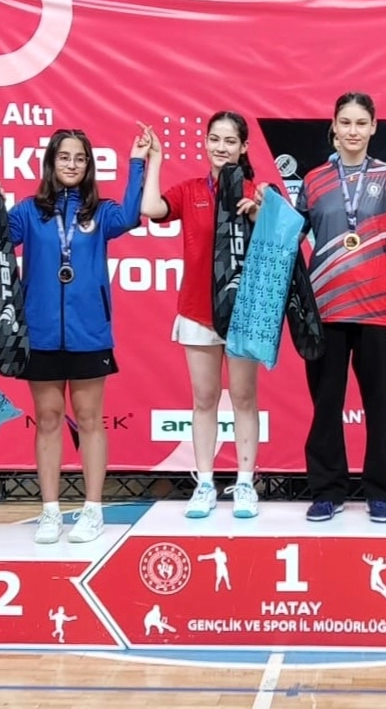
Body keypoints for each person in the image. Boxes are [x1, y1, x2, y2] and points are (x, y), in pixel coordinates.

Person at [0, 127, 147, 544]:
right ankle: (50, 511)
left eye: (80, 158)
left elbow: (131, 215)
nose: (72, 164)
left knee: (89, 419)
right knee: (49, 419)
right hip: (40, 335)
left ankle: (92, 510)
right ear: (51, 162)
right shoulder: (29, 212)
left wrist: (138, 162)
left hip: (90, 334)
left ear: (89, 166)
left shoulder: (100, 212)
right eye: (64, 157)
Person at [298, 92, 386, 523]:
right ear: (334, 126)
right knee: (326, 406)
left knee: (379, 407)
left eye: (361, 123)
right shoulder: (314, 180)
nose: (353, 131)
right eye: (345, 122)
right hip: (325, 310)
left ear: (374, 127)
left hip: (378, 311)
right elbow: (290, 236)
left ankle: (380, 493)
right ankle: (328, 491)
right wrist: (260, 215)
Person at [139, 112, 265, 519]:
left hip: (243, 312)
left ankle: (244, 483)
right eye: (214, 139)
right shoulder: (190, 190)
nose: (221, 147)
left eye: (230, 141)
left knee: (244, 398)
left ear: (244, 147)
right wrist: (155, 160)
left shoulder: (259, 191)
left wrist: (260, 214)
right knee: (204, 399)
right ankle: (205, 483)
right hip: (198, 311)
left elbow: (282, 241)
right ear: (206, 143)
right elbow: (150, 207)